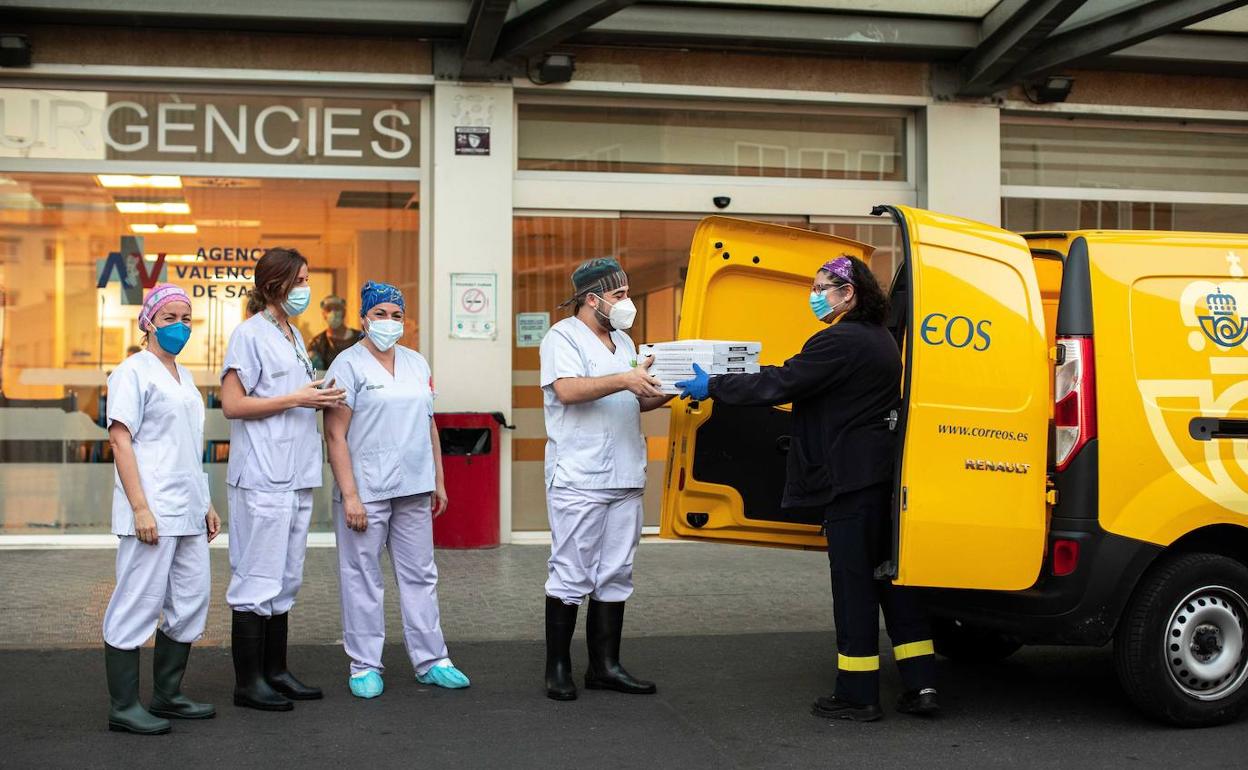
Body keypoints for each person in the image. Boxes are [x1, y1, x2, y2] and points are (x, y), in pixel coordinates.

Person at [676, 255, 938, 723]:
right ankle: (922, 686)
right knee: (894, 583)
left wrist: (712, 384)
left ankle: (859, 694)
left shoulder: (838, 340)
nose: (815, 295)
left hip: (848, 484)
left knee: (854, 587)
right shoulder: (880, 339)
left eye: (823, 287)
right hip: (880, 479)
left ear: (848, 292)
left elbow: (782, 381)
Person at [323, 281, 469, 699]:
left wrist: (437, 479)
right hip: (366, 489)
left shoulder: (416, 363)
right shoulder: (346, 365)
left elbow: (428, 423)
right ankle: (365, 664)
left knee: (421, 574)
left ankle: (432, 659)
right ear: (364, 319)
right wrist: (350, 494)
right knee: (362, 576)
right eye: (380, 314)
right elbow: (335, 435)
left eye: (396, 315)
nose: (389, 322)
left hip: (413, 485)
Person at [538, 257, 671, 701]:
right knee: (571, 572)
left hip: (624, 474)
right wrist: (626, 379)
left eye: (626, 293)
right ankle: (557, 668)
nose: (625, 303)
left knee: (616, 572)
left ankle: (605, 666)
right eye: (618, 295)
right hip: (580, 474)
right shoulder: (562, 336)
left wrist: (664, 389)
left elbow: (633, 399)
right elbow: (568, 390)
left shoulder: (623, 339)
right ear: (592, 298)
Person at [220, 247, 346, 711]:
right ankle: (248, 682)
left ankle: (275, 670)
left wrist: (320, 397)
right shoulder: (248, 335)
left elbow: (292, 394)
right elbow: (234, 404)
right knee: (257, 577)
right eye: (300, 282)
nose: (306, 291)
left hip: (295, 472)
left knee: (285, 577)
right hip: (261, 475)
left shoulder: (293, 333)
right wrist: (296, 399)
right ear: (274, 285)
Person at [102, 283, 220, 735]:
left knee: (191, 600)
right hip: (151, 510)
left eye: (186, 318)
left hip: (187, 508)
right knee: (137, 603)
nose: (179, 326)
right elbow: (120, 439)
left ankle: (168, 695)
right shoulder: (132, 372)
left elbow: (188, 446)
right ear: (148, 322)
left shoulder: (183, 377)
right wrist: (140, 508)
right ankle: (124, 706)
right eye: (169, 317)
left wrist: (205, 502)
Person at [307, 294, 363, 372]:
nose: (333, 313)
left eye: (337, 308)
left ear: (344, 312)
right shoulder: (316, 344)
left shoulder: (360, 338)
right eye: (329, 309)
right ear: (324, 315)